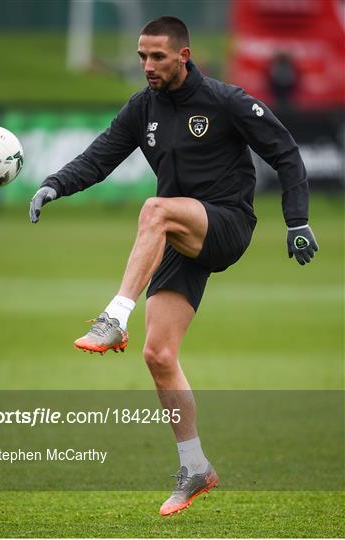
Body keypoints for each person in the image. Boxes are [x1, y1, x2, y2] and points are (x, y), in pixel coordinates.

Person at [29, 16, 318, 516]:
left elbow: (286, 152)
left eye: (157, 57)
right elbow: (100, 157)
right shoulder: (142, 108)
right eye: (142, 56)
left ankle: (113, 317)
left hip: (227, 224)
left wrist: (296, 221)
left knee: (153, 209)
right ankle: (195, 467)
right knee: (159, 355)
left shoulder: (227, 100)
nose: (147, 66)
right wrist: (55, 184)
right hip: (179, 236)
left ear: (183, 56)